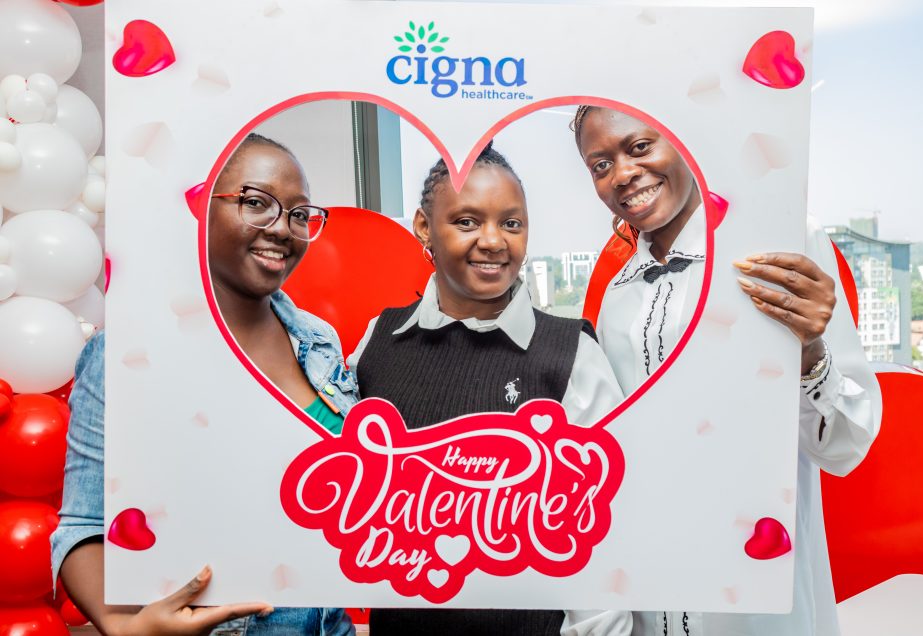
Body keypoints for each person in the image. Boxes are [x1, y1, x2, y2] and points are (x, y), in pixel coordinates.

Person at [562, 106, 881, 636]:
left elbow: (844, 447)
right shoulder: (617, 297)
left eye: (639, 147)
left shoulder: (777, 249)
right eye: (600, 165)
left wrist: (809, 351)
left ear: (686, 140)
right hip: (652, 593)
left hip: (755, 599)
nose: (622, 174)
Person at [51, 133, 359, 635]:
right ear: (200, 208)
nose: (283, 229)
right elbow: (82, 526)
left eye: (300, 214)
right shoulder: (131, 351)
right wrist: (125, 627)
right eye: (256, 203)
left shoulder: (318, 340)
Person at [346, 142, 624, 635]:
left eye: (511, 223)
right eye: (468, 221)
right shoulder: (377, 341)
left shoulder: (572, 354)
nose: (494, 241)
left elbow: (603, 541)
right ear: (424, 227)